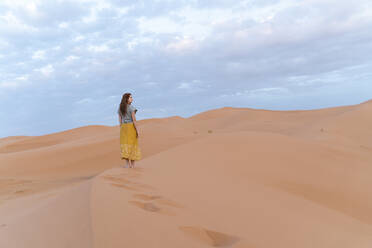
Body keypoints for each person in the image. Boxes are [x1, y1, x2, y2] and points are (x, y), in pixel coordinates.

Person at [117, 93, 141, 168]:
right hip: (131, 127)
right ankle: (133, 166)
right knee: (133, 145)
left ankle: (127, 165)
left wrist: (121, 128)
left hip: (123, 128)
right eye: (130, 97)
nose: (132, 99)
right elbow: (134, 120)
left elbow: (120, 120)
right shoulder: (131, 108)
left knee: (125, 145)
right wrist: (137, 131)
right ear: (126, 99)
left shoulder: (120, 108)